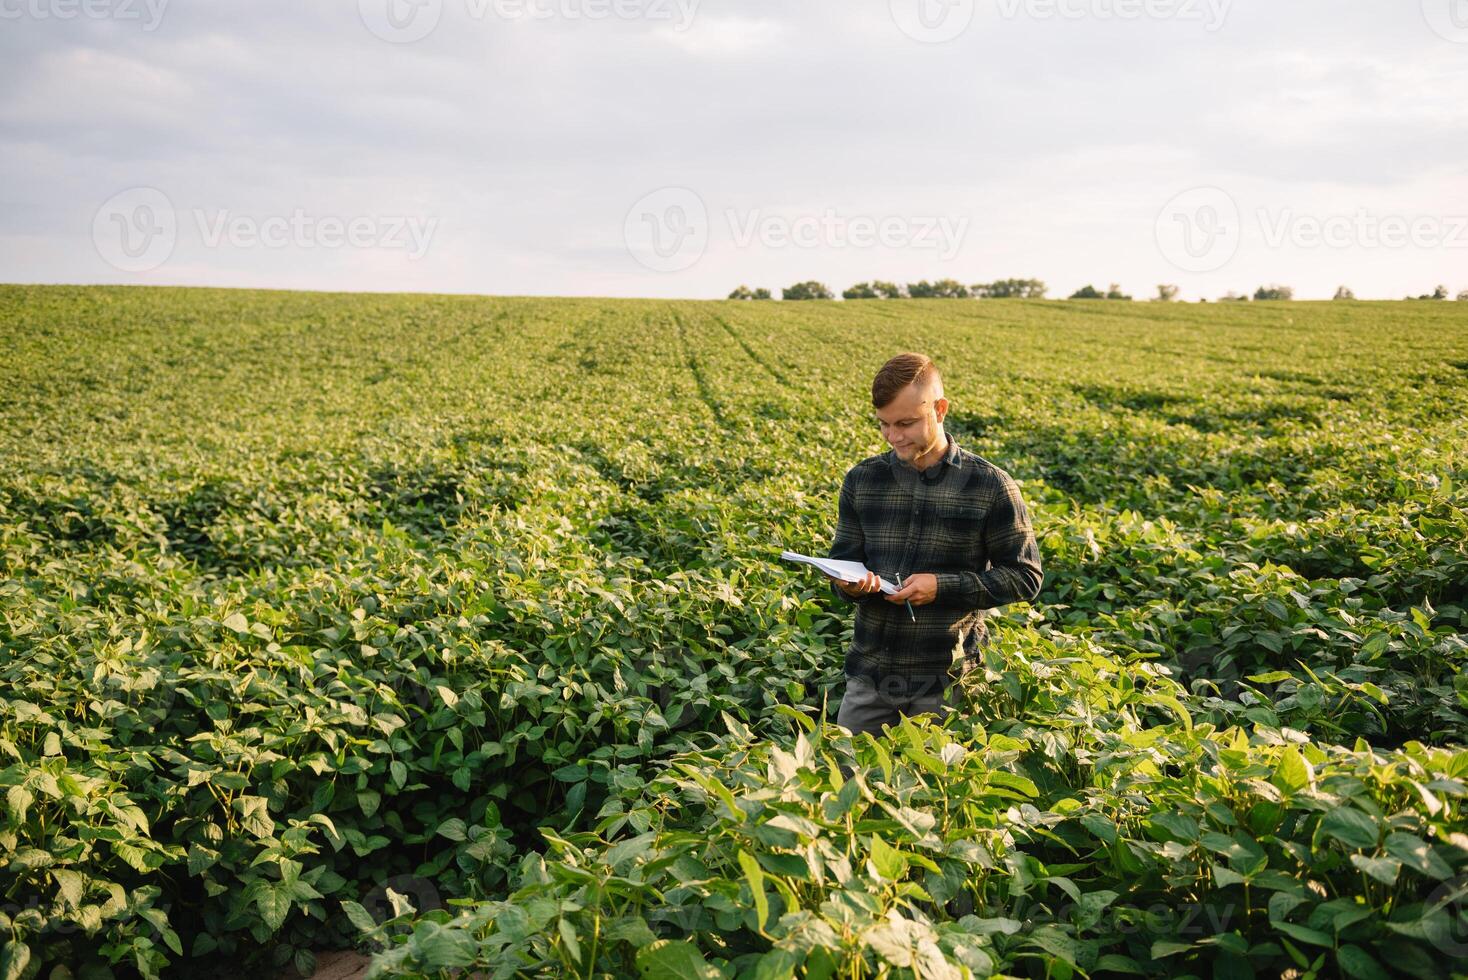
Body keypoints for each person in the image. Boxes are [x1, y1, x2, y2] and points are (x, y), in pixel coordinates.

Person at [824, 352, 1043, 738]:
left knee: (935, 792)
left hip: (946, 682)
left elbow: (1025, 577)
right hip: (870, 675)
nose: (894, 436)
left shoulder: (990, 486)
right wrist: (849, 584)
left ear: (940, 409)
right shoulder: (863, 481)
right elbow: (843, 562)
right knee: (848, 785)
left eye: (906, 423)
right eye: (884, 425)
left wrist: (943, 586)